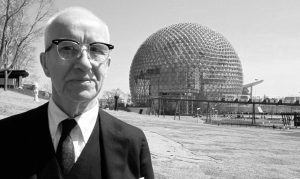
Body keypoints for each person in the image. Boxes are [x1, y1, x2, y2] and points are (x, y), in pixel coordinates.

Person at [0, 7, 154, 179]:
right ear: (45, 63)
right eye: (67, 48)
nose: (85, 63)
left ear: (107, 65)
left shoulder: (132, 144)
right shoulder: (5, 138)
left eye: (96, 50)